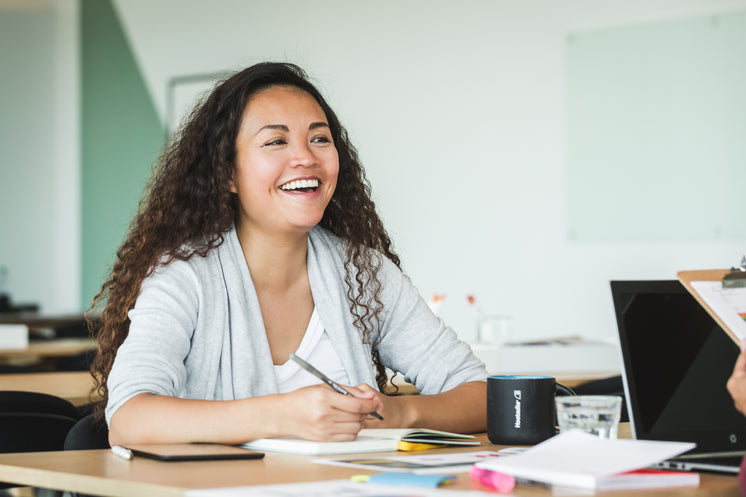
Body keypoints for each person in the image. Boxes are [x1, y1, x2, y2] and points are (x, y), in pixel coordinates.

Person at [89, 62, 488, 447]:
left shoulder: (363, 271)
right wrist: (282, 416)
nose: (306, 158)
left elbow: (480, 393)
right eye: (276, 141)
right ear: (227, 173)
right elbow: (128, 418)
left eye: (319, 138)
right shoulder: (184, 276)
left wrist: (396, 414)